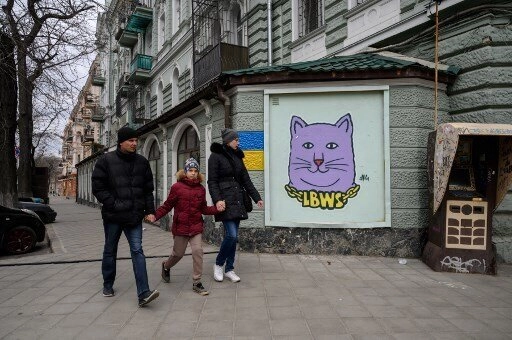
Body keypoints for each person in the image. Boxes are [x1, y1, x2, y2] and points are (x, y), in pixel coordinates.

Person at [92, 126, 159, 307]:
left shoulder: (142, 162)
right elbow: (98, 188)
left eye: (136, 141)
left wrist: (150, 211)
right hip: (113, 216)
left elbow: (147, 190)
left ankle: (144, 293)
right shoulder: (105, 161)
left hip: (134, 216)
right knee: (110, 249)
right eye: (131, 141)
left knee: (137, 251)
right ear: (121, 142)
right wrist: (115, 204)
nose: (134, 143)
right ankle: (108, 284)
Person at [146, 158, 224, 295]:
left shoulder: (201, 189)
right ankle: (166, 265)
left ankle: (197, 282)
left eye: (195, 171)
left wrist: (217, 209)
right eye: (190, 170)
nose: (193, 173)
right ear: (185, 171)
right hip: (180, 227)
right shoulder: (177, 188)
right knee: (178, 254)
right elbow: (167, 206)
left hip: (195, 227)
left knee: (198, 251)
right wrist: (155, 215)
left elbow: (204, 209)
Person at [207, 128, 263, 283]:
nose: (238, 142)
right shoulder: (215, 156)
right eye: (236, 140)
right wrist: (217, 199)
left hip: (238, 200)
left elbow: (246, 179)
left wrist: (256, 197)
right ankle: (219, 264)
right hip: (224, 200)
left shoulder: (238, 157)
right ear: (228, 141)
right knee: (231, 235)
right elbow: (212, 181)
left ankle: (229, 269)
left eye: (238, 140)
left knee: (233, 237)